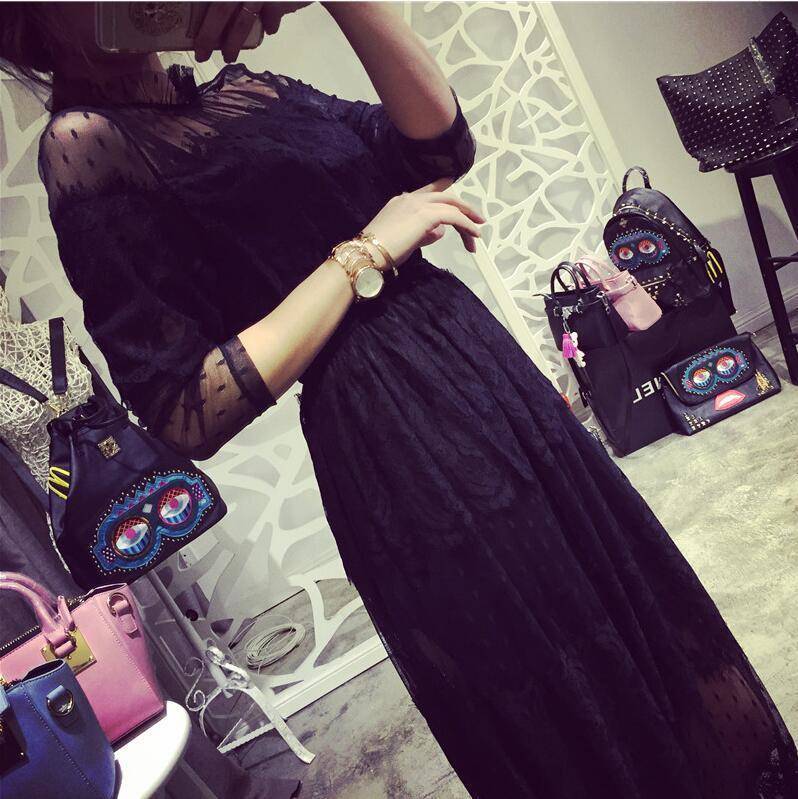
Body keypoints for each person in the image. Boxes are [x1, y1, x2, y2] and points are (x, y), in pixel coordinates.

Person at [2, 3, 797, 797]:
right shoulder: (86, 142)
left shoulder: (244, 91)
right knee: (561, 673)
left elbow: (438, 149)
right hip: (394, 435)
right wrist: (363, 253)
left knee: (634, 614)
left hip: (481, 375)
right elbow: (185, 403)